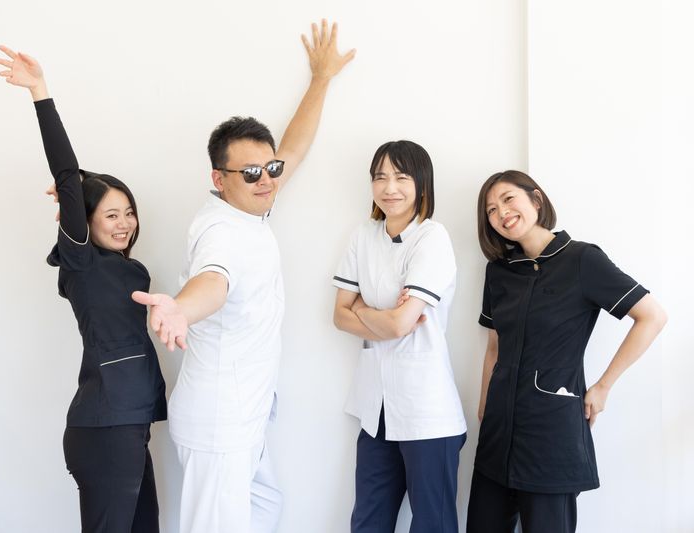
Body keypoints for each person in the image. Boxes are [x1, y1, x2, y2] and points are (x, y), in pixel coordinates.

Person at [131, 20, 354, 533]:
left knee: (265, 506)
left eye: (268, 169)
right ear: (219, 178)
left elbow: (292, 148)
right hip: (219, 421)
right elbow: (213, 281)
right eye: (250, 173)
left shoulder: (250, 207)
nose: (266, 179)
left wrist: (321, 78)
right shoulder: (221, 231)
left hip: (244, 415)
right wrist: (180, 308)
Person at [0, 45, 166, 533]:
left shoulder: (133, 272)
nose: (125, 223)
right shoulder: (81, 263)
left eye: (129, 212)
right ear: (83, 222)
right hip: (103, 428)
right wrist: (39, 91)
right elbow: (68, 177)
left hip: (129, 424)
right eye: (111, 214)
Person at [466, 170, 667, 533]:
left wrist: (603, 386)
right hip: (498, 431)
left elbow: (652, 316)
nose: (501, 213)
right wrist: (485, 404)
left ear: (536, 199)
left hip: (551, 435)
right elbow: (495, 345)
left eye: (508, 199)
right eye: (491, 210)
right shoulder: (498, 272)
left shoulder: (582, 259)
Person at [332, 141, 467, 532]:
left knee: (432, 525)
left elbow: (398, 325)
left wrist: (362, 309)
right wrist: (384, 317)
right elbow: (339, 316)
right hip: (376, 410)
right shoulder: (363, 235)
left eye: (401, 177)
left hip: (427, 411)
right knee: (368, 522)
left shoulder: (432, 237)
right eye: (380, 177)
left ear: (422, 184)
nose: (389, 187)